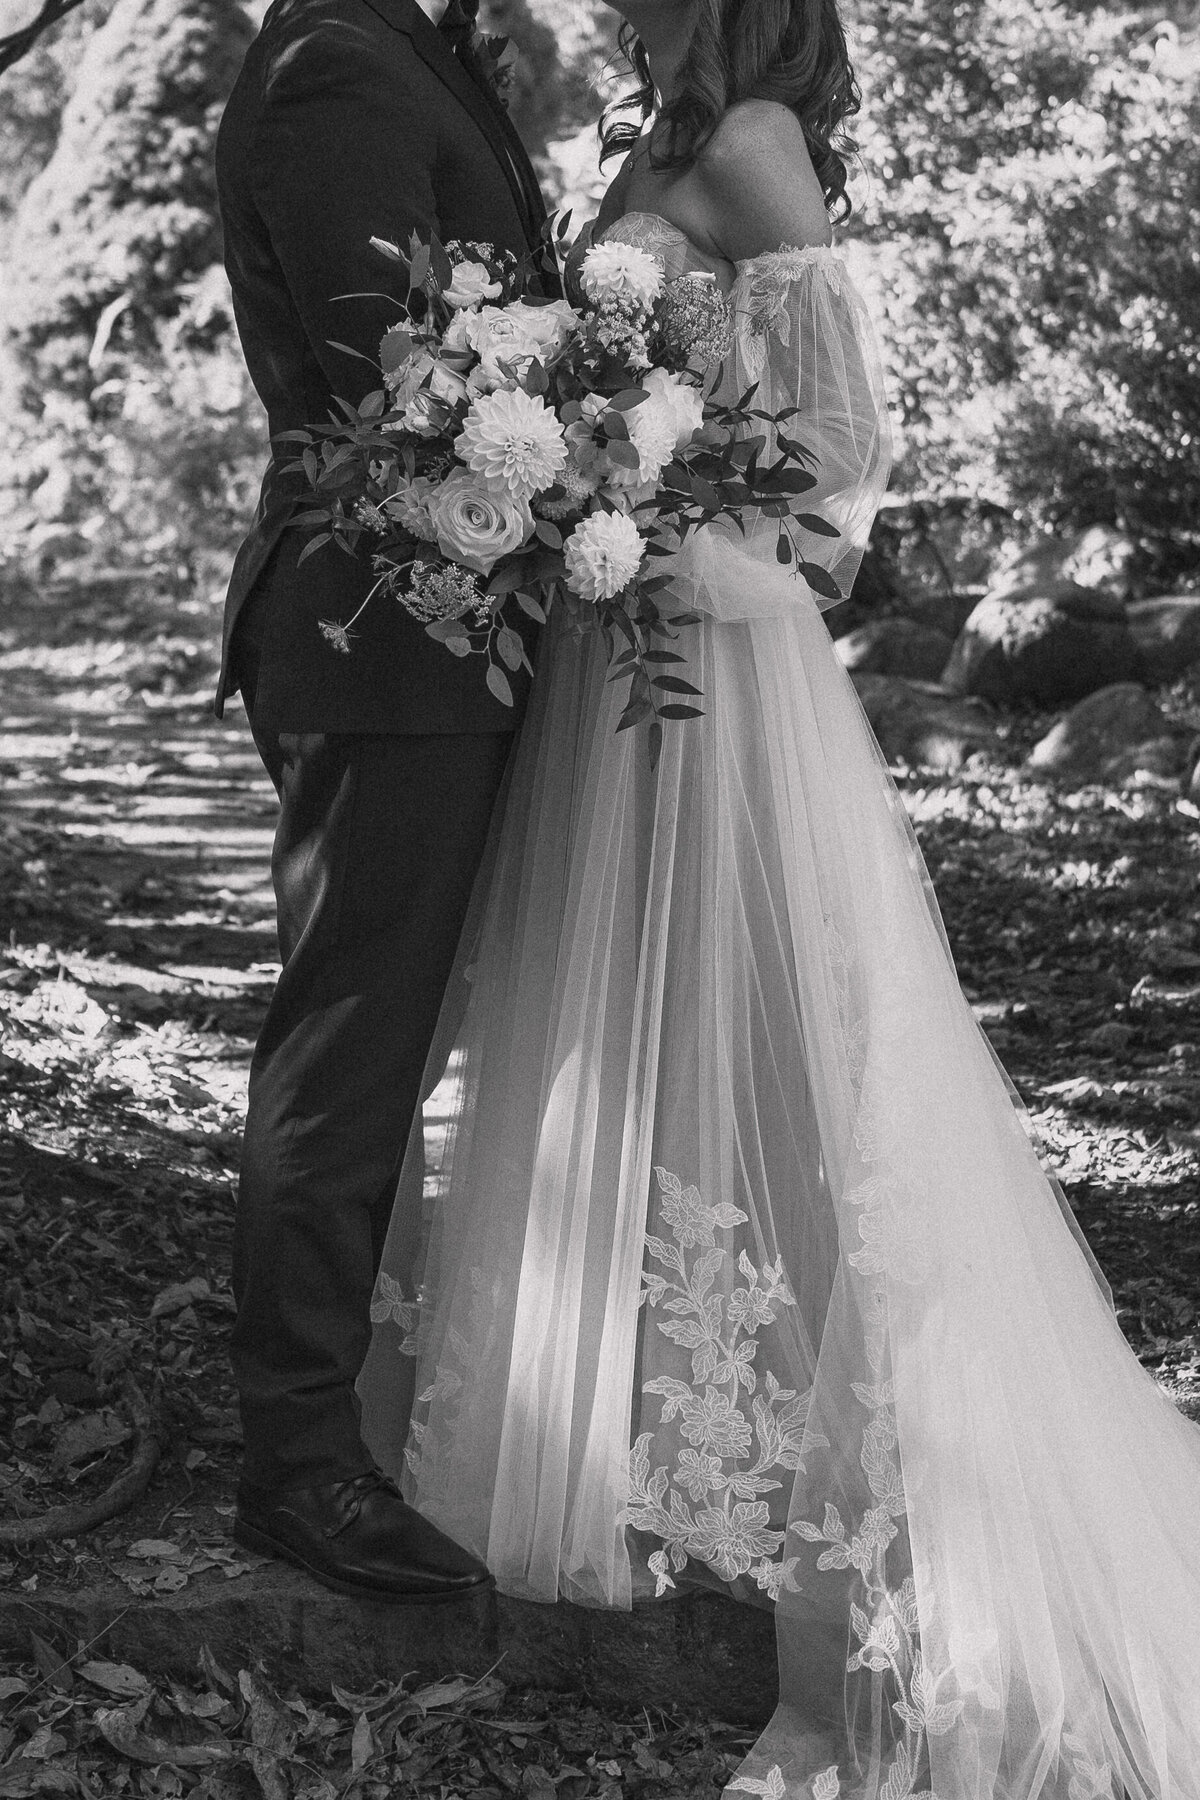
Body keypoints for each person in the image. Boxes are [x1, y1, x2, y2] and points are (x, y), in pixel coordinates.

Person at [359, 0, 1200, 1790]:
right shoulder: (640, 141)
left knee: (776, 1030)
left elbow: (842, 460)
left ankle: (863, 1510)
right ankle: (621, 1431)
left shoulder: (748, 143)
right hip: (606, 662)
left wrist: (664, 520)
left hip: (718, 663)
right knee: (623, 1027)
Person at [213, 0, 556, 1602]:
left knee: (384, 1037)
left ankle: (345, 1416)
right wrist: (607, 468)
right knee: (349, 1048)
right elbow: (399, 378)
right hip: (377, 627)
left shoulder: (414, 46)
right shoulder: (332, 61)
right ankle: (295, 1467)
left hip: (446, 624)